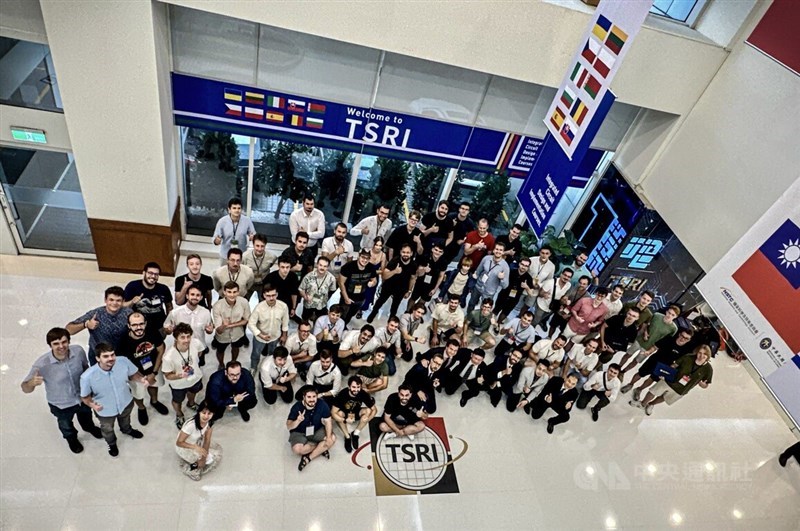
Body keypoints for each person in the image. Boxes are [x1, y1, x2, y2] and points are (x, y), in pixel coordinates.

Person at [21, 328, 102, 453]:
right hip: (61, 404)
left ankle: (89, 428)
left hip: (82, 398)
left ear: (69, 341)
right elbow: (25, 388)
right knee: (66, 425)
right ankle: (71, 439)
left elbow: (86, 368)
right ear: (50, 345)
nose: (61, 346)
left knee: (86, 416)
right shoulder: (42, 364)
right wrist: (31, 383)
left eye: (64, 342)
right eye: (56, 344)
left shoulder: (78, 351)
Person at [80, 343, 147, 457]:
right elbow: (85, 397)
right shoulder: (87, 377)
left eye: (112, 355)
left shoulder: (123, 361)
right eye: (105, 356)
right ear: (97, 358)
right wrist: (93, 406)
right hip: (105, 411)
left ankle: (127, 430)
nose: (111, 359)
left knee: (125, 420)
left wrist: (140, 379)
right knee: (107, 429)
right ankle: (111, 444)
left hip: (125, 402)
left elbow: (132, 375)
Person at [116, 312, 169, 425]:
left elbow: (161, 350)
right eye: (134, 325)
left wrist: (153, 373)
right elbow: (122, 363)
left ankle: (154, 401)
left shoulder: (153, 331)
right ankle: (141, 408)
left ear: (145, 323)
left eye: (141, 324)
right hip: (135, 373)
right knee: (138, 393)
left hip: (154, 367)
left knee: (154, 385)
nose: (138, 327)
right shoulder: (122, 340)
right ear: (129, 326)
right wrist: (140, 377)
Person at [631, 345, 713, 416]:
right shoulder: (688, 357)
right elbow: (675, 364)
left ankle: (651, 404)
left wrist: (701, 384)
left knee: (664, 398)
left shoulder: (708, 369)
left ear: (708, 355)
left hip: (681, 389)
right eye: (700, 353)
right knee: (653, 391)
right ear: (697, 352)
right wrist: (666, 372)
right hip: (670, 380)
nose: (701, 355)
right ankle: (642, 403)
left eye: (704, 354)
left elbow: (706, 385)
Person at [621, 328, 695, 398]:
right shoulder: (669, 339)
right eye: (682, 336)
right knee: (640, 373)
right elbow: (655, 347)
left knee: (651, 379)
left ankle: (639, 389)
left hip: (665, 367)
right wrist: (648, 352)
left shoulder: (687, 350)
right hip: (654, 360)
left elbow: (681, 362)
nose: (683, 339)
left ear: (689, 340)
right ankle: (630, 384)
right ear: (679, 334)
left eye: (686, 338)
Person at [66, 286, 132, 365]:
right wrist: (86, 324)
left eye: (118, 300)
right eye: (111, 300)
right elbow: (68, 329)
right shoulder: (96, 313)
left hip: (121, 355)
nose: (114, 303)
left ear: (123, 301)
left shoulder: (128, 313)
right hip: (98, 357)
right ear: (105, 300)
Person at [162, 323, 204, 429]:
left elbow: (200, 352)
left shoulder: (196, 343)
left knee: (193, 391)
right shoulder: (168, 357)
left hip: (195, 377)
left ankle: (191, 403)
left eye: (188, 336)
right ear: (176, 338)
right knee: (177, 400)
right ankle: (179, 415)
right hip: (178, 384)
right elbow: (167, 375)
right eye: (182, 337)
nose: (186, 340)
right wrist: (180, 375)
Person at [619, 305, 681, 376]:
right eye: (669, 313)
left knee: (636, 361)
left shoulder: (673, 329)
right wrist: (645, 333)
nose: (669, 315)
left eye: (672, 315)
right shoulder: (657, 316)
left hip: (650, 347)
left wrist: (653, 349)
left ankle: (623, 372)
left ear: (676, 316)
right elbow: (647, 324)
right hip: (640, 340)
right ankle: (618, 367)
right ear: (666, 311)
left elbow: (666, 340)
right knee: (628, 354)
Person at [163, 285, 214, 367]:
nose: (195, 297)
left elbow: (209, 330)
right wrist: (169, 330)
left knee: (198, 365)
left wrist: (209, 331)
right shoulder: (175, 313)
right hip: (181, 347)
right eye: (192, 294)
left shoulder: (206, 312)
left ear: (201, 298)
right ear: (187, 296)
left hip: (199, 347)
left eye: (198, 295)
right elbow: (167, 330)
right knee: (183, 366)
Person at [287, 385, 336, 471]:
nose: (312, 399)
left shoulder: (322, 404)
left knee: (332, 438)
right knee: (297, 450)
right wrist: (297, 421)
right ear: (304, 397)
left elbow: (328, 421)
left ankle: (308, 458)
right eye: (309, 397)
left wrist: (328, 438)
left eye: (314, 396)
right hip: (299, 432)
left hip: (316, 429)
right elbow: (288, 426)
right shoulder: (297, 407)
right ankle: (320, 449)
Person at [367, 243, 417, 323]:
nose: (405, 254)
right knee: (380, 301)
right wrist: (395, 271)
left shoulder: (413, 265)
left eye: (408, 252)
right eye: (403, 252)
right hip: (389, 285)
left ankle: (391, 319)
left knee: (395, 306)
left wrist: (409, 291)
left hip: (402, 288)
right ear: (400, 252)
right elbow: (384, 276)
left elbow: (412, 278)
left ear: (411, 253)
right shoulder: (394, 261)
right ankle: (373, 312)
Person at [123, 262, 173, 336]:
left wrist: (168, 322)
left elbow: (169, 306)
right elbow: (123, 306)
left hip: (159, 327)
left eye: (156, 274)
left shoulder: (163, 289)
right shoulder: (132, 286)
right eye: (150, 273)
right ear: (144, 273)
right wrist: (132, 302)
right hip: (138, 327)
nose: (153, 276)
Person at [175, 401, 222, 481]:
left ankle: (198, 461)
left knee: (213, 455)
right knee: (199, 469)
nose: (206, 416)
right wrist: (195, 447)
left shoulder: (210, 422)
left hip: (197, 441)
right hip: (185, 446)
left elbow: (207, 439)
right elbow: (179, 443)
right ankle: (189, 467)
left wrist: (204, 456)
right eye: (204, 413)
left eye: (209, 413)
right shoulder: (191, 425)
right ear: (199, 412)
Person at [248, 284, 289, 373]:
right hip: (260, 338)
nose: (271, 298)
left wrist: (284, 335)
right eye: (268, 296)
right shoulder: (259, 308)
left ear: (277, 294)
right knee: (256, 354)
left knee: (273, 354)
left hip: (275, 337)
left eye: (273, 295)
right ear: (263, 296)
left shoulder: (283, 306)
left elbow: (285, 323)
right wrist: (260, 334)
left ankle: (270, 368)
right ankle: (253, 368)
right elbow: (251, 323)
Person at [331, 376, 377, 453]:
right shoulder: (342, 394)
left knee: (368, 411)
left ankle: (355, 433)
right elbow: (333, 412)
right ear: (349, 387)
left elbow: (374, 410)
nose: (356, 390)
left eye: (358, 387)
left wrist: (367, 419)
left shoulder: (363, 393)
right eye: (353, 387)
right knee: (338, 414)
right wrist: (345, 420)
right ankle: (347, 436)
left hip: (356, 411)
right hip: (344, 412)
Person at [211, 281, 251, 370]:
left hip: (238, 333)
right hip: (222, 336)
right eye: (229, 292)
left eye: (234, 292)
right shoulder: (217, 306)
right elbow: (218, 330)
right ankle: (221, 364)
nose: (232, 295)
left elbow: (246, 320)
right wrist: (223, 325)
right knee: (220, 351)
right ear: (224, 292)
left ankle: (233, 361)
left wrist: (229, 325)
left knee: (236, 348)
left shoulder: (244, 302)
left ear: (238, 292)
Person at [338, 249, 379, 324]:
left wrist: (372, 283)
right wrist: (346, 298)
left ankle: (344, 326)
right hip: (348, 296)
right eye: (363, 257)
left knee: (351, 314)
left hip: (361, 297)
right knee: (342, 315)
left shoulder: (371, 267)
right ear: (358, 256)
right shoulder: (348, 266)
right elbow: (341, 283)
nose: (365, 260)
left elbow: (375, 280)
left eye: (367, 258)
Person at [468, 242, 510, 310]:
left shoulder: (505, 266)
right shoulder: (486, 258)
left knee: (485, 309)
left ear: (503, 252)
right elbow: (478, 271)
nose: (498, 251)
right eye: (496, 249)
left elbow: (505, 286)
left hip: (489, 292)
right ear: (493, 250)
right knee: (471, 303)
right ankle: (468, 318)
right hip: (478, 287)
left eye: (500, 250)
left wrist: (502, 279)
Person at [213, 197, 255, 264]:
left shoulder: (247, 220)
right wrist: (217, 241)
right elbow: (215, 239)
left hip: (241, 255)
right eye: (234, 208)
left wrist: (252, 237)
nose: (237, 210)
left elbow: (253, 234)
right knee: (224, 274)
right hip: (225, 255)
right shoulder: (222, 221)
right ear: (229, 210)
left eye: (239, 208)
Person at [493, 257, 533, 325]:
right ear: (519, 264)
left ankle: (498, 324)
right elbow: (501, 281)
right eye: (522, 264)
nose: (523, 267)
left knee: (505, 312)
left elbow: (531, 293)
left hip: (514, 298)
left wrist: (527, 287)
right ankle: (490, 321)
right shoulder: (510, 271)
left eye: (526, 266)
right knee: (496, 309)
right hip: (503, 294)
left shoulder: (528, 278)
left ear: (528, 267)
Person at [357, 236, 387, 319]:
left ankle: (363, 308)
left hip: (374, 276)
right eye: (376, 245)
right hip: (363, 275)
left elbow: (382, 270)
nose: (378, 247)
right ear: (373, 244)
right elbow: (359, 263)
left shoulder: (383, 255)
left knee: (369, 294)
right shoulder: (367, 251)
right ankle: (357, 307)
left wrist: (373, 273)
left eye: (380, 246)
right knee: (360, 292)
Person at [298, 256, 337, 323]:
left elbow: (332, 290)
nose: (322, 268)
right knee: (305, 319)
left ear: (328, 267)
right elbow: (301, 289)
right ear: (317, 265)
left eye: (325, 266)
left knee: (320, 321)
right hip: (309, 303)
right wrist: (305, 297)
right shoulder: (308, 276)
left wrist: (326, 298)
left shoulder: (331, 278)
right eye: (320, 265)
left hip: (322, 304)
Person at [242, 233, 277, 301]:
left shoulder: (272, 257)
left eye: (262, 246)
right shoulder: (245, 256)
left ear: (265, 245)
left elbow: (271, 265)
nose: (259, 249)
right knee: (244, 302)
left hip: (263, 283)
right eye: (257, 246)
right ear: (253, 244)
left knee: (263, 303)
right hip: (249, 283)